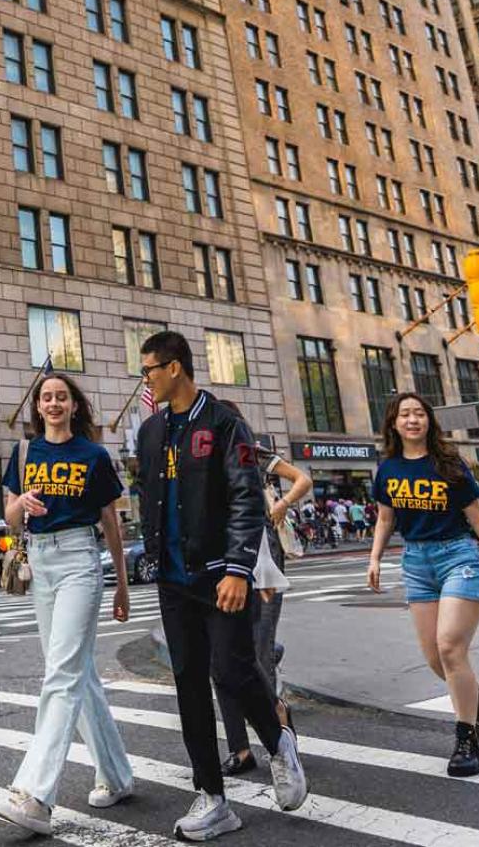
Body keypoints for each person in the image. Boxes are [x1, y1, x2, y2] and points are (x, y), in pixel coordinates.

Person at [135, 331, 306, 841]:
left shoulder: (224, 423)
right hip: (173, 578)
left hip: (219, 575)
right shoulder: (149, 432)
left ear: (174, 368)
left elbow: (245, 497)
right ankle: (211, 796)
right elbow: (149, 496)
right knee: (188, 683)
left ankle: (278, 744)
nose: (145, 379)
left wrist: (237, 568)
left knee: (230, 672)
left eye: (148, 370)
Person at [0, 372, 134, 835]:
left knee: (61, 673)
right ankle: (116, 776)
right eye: (46, 397)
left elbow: (110, 519)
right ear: (38, 407)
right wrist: (22, 504)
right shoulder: (25, 452)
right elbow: (9, 515)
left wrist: (122, 582)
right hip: (40, 561)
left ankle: (35, 793)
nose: (53, 403)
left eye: (61, 397)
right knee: (76, 673)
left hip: (79, 559)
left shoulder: (92, 454)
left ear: (75, 405)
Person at [368, 392, 479, 777]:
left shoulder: (449, 463)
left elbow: (478, 517)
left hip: (458, 557)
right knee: (436, 658)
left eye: (419, 413)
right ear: (394, 423)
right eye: (405, 414)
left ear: (429, 422)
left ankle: (466, 740)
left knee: (451, 647)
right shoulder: (387, 469)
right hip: (416, 563)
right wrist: (374, 558)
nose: (413, 420)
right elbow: (386, 519)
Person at [213, 402, 313, 778]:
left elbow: (303, 479)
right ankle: (239, 749)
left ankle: (277, 716)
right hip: (223, 566)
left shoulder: (254, 454)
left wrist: (282, 505)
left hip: (262, 561)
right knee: (220, 659)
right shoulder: (205, 463)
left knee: (255, 654)